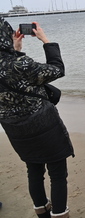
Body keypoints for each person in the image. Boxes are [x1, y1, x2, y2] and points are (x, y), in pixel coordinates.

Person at [0, 18, 74, 218]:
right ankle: (59, 213)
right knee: (57, 173)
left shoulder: (15, 61)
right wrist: (45, 40)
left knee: (33, 169)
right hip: (43, 125)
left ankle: (42, 212)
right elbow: (57, 69)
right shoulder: (19, 63)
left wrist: (14, 50)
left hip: (14, 129)